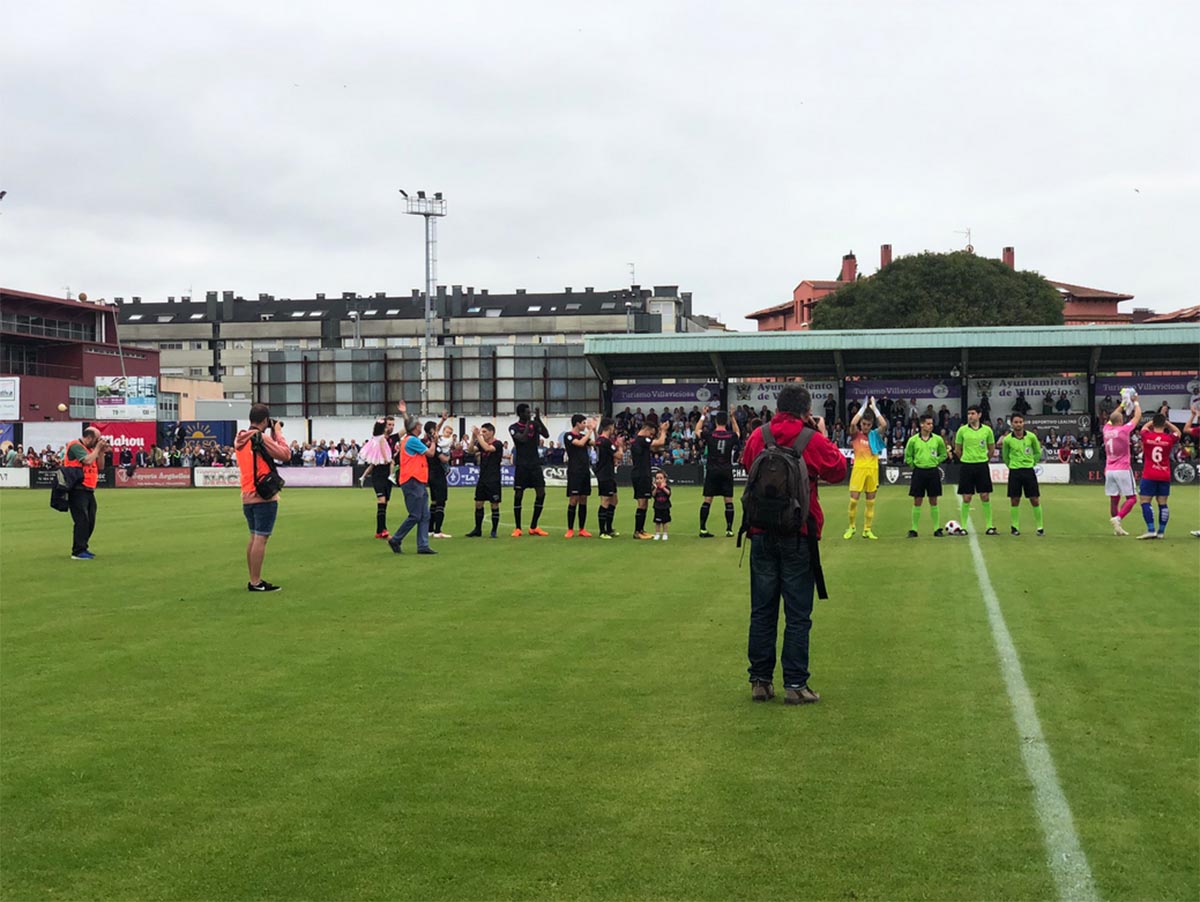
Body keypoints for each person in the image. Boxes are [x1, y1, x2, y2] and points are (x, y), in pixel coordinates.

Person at [740, 385, 847, 705]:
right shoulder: (810, 438)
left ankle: (760, 681)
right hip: (799, 532)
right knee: (798, 612)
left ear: (777, 406)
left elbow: (748, 466)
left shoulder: (759, 435)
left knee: (762, 610)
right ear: (806, 409)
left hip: (760, 531)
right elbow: (839, 470)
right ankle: (796, 683)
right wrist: (821, 433)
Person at [233, 405, 292, 591]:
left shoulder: (240, 438)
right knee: (261, 538)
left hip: (247, 493)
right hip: (263, 494)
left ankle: (253, 578)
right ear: (265, 420)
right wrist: (279, 433)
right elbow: (285, 454)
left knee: (253, 537)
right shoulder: (261, 437)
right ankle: (256, 582)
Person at [388, 403, 446, 555]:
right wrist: (434, 441)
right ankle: (396, 538)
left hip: (417, 480)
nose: (421, 427)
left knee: (424, 514)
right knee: (416, 515)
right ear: (415, 428)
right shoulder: (412, 441)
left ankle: (422, 545)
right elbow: (431, 453)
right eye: (419, 425)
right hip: (412, 480)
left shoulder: (410, 440)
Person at [62, 427, 109, 560]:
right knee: (82, 519)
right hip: (77, 487)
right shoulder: (75, 446)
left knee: (90, 520)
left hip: (88, 488)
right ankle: (77, 551)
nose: (97, 442)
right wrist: (97, 449)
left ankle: (83, 546)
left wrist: (101, 452)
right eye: (96, 439)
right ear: (89, 438)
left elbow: (100, 466)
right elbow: (87, 461)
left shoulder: (91, 450)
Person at [845, 396, 887, 540]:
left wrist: (875, 408)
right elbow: (852, 423)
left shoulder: (875, 435)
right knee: (854, 500)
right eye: (864, 424)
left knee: (870, 501)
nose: (866, 427)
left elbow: (884, 425)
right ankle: (851, 527)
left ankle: (867, 530)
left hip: (873, 470)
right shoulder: (856, 434)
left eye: (868, 424)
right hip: (858, 469)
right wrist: (863, 407)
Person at [696, 407, 740, 538]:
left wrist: (703, 415)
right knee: (728, 501)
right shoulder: (731, 435)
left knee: (707, 500)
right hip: (726, 470)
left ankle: (703, 529)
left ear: (715, 421)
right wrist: (733, 418)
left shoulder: (710, 434)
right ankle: (729, 530)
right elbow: (738, 433)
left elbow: (697, 431)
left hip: (712, 470)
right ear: (726, 422)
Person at [1136, 412, 1181, 539]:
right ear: (1164, 424)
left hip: (1149, 473)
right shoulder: (1169, 438)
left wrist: (1154, 422)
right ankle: (1161, 532)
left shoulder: (1147, 436)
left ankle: (1151, 529)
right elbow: (1178, 432)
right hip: (1164, 474)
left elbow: (1144, 427)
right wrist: (1167, 423)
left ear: (1153, 424)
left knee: (1145, 501)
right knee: (1163, 503)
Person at [954, 404, 997, 536]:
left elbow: (991, 449)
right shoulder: (962, 431)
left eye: (973, 413)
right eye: (969, 414)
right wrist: (966, 459)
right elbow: (957, 449)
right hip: (967, 465)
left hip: (982, 465)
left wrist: (984, 459)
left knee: (985, 495)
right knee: (966, 497)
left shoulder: (987, 430)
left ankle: (989, 526)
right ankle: (964, 527)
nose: (970, 416)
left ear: (979, 415)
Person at [508, 403, 550, 537]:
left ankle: (533, 526)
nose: (529, 414)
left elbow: (546, 434)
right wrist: (529, 424)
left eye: (530, 412)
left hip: (534, 464)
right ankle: (518, 527)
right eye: (527, 412)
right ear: (520, 414)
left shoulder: (534, 424)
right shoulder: (513, 428)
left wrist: (538, 420)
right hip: (522, 465)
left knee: (541, 493)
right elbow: (522, 439)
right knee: (519, 494)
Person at [903, 413, 948, 537]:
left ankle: (937, 528)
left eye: (932, 423)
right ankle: (914, 529)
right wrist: (915, 465)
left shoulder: (938, 439)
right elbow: (908, 456)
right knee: (917, 500)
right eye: (928, 423)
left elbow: (943, 454)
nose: (931, 426)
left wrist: (935, 462)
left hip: (933, 471)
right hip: (919, 472)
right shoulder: (913, 440)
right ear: (921, 424)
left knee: (934, 500)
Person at [1103, 396, 1142, 535]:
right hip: (1123, 468)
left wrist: (1123, 404)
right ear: (1120, 421)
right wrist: (1135, 401)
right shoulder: (1124, 430)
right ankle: (1118, 519)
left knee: (1114, 500)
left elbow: (1112, 417)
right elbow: (1138, 416)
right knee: (1132, 498)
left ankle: (1117, 529)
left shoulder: (1106, 429)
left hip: (1109, 470)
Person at [1001, 413, 1044, 536]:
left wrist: (1032, 463)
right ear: (1012, 423)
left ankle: (1040, 527)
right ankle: (1014, 527)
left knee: (1034, 499)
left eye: (1020, 422)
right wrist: (1012, 466)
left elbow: (1037, 452)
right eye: (1016, 422)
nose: (1018, 424)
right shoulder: (1008, 439)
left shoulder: (1031, 437)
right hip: (1015, 472)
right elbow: (1005, 456)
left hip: (1028, 471)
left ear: (1023, 423)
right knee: (1014, 499)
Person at [630, 414, 669, 540]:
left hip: (641, 474)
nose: (651, 437)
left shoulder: (639, 441)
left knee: (644, 503)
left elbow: (656, 446)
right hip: (641, 475)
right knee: (642, 503)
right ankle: (637, 531)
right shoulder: (641, 439)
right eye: (651, 434)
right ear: (646, 430)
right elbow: (661, 442)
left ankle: (641, 530)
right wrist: (663, 431)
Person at [359, 418, 394, 539]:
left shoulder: (375, 439)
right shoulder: (381, 439)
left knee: (385, 502)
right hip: (380, 475)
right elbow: (384, 455)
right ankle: (382, 529)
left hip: (384, 474)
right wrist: (388, 460)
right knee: (382, 500)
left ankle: (381, 529)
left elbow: (373, 461)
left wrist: (364, 475)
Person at [466, 423, 502, 538]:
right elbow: (470, 450)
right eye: (482, 432)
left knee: (494, 504)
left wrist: (478, 436)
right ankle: (477, 529)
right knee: (478, 503)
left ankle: (494, 530)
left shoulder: (498, 443)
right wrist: (473, 436)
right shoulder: (481, 443)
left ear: (491, 432)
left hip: (493, 478)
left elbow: (488, 448)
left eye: (485, 432)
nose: (483, 434)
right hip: (483, 478)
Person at [564, 414, 595, 538]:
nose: (585, 425)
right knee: (573, 499)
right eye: (583, 423)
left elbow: (595, 443)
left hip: (584, 471)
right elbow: (581, 443)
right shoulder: (569, 436)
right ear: (577, 423)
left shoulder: (584, 436)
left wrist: (594, 431)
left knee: (583, 499)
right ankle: (570, 529)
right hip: (574, 471)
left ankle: (582, 528)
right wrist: (590, 431)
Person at [593, 417, 624, 539]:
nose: (614, 429)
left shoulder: (600, 440)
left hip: (606, 473)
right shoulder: (606, 442)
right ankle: (603, 531)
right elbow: (619, 455)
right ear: (610, 427)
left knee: (614, 500)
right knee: (605, 501)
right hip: (605, 474)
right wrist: (620, 446)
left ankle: (609, 528)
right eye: (613, 427)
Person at [429, 423, 454, 538]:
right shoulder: (437, 446)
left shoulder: (429, 445)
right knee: (441, 502)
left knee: (434, 502)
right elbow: (444, 459)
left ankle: (430, 529)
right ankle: (438, 531)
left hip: (431, 475)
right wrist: (449, 457)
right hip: (438, 475)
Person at [651, 471, 672, 540]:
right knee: (657, 521)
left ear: (664, 479)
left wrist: (663, 488)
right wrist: (656, 488)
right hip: (657, 506)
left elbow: (668, 493)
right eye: (657, 478)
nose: (659, 480)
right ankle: (657, 533)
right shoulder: (655, 488)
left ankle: (665, 533)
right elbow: (653, 495)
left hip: (665, 506)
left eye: (661, 478)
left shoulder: (666, 487)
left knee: (665, 521)